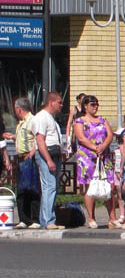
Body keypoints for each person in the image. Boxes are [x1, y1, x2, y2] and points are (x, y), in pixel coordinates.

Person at [73, 95, 118, 229]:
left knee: (109, 186)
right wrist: (95, 148)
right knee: (90, 187)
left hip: (104, 156)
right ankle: (91, 218)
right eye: (92, 105)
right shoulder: (79, 121)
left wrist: (103, 146)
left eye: (97, 104)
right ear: (85, 106)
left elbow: (110, 135)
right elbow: (81, 138)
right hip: (87, 157)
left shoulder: (102, 120)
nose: (95, 107)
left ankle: (112, 217)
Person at [32, 92, 65, 230]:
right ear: (51, 102)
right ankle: (48, 220)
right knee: (49, 187)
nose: (61, 105)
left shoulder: (52, 118)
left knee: (53, 188)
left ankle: (47, 219)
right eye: (59, 102)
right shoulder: (41, 117)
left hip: (55, 155)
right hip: (47, 155)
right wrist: (49, 160)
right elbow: (40, 140)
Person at [13, 97, 40, 229]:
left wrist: (32, 152)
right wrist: (13, 137)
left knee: (32, 188)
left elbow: (39, 138)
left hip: (29, 158)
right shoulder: (21, 122)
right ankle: (24, 218)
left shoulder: (33, 120)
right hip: (20, 158)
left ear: (19, 109)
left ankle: (35, 218)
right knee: (22, 189)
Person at [65, 93, 86, 157]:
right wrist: (68, 136)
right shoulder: (74, 109)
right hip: (76, 133)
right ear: (79, 100)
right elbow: (69, 123)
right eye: (82, 99)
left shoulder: (86, 109)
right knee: (77, 150)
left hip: (85, 132)